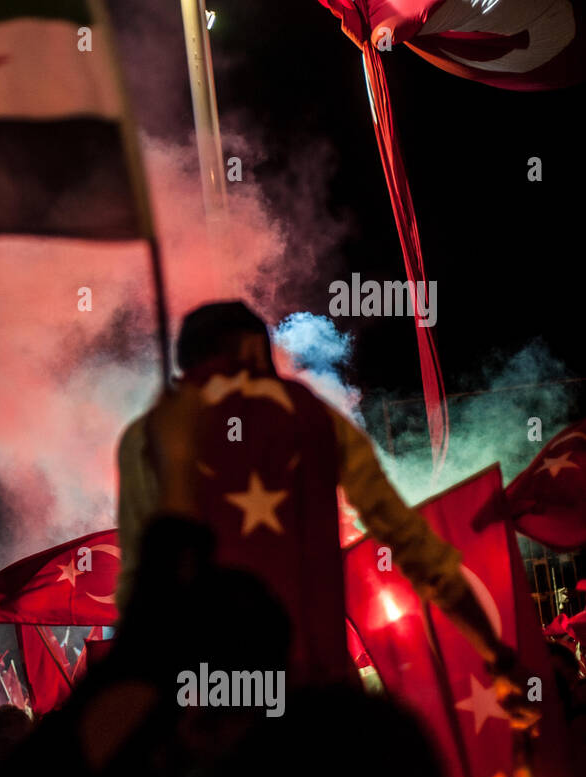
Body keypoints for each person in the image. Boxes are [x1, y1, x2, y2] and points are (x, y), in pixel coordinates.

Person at [116, 301, 535, 721]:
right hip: (315, 709)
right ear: (256, 351)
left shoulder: (148, 434)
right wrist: (498, 658)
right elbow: (416, 548)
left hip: (201, 715)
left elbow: (136, 589)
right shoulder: (314, 418)